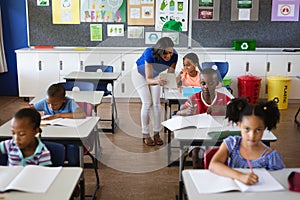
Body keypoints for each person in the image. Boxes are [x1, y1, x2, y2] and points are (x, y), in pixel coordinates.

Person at [209, 98, 285, 185]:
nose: (252, 135)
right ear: (239, 125)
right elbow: (213, 165)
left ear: (264, 128)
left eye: (258, 130)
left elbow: (280, 181)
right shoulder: (231, 144)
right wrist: (240, 176)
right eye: (247, 129)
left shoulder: (271, 157)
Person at [176, 68, 232, 168]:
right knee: (197, 154)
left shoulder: (223, 98)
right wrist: (186, 111)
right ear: (200, 83)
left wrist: (220, 109)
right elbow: (178, 113)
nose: (206, 87)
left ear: (216, 84)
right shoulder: (194, 98)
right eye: (203, 83)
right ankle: (199, 179)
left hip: (218, 137)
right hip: (198, 138)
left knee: (220, 155)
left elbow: (238, 111)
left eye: (210, 83)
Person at [132, 37, 178, 146]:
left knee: (157, 104)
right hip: (139, 73)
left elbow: (170, 75)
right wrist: (157, 81)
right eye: (165, 54)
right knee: (147, 103)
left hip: (156, 74)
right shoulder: (149, 53)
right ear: (159, 51)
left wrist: (170, 86)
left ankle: (156, 133)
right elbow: (148, 79)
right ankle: (145, 134)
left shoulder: (174, 56)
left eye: (170, 53)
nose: (168, 56)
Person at [33, 83, 86, 166]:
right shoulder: (45, 101)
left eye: (54, 104)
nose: (51, 107)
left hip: (69, 135)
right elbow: (30, 109)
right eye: (48, 104)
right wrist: (36, 113)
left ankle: (73, 168)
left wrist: (58, 115)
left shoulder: (69, 102)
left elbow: (81, 114)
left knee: (73, 147)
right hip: (50, 134)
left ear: (63, 100)